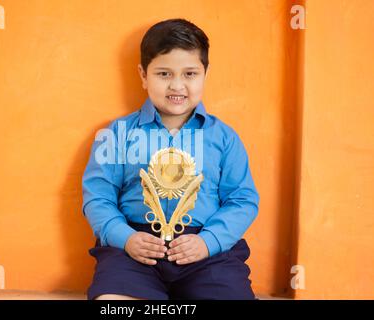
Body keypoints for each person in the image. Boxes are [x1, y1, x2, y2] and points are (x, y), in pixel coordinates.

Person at [82, 18, 260, 300]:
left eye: (189, 74)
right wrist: (125, 238)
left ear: (205, 73)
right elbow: (98, 198)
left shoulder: (224, 138)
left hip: (206, 252)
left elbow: (243, 200)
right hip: (134, 251)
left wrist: (208, 241)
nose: (177, 85)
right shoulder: (117, 133)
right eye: (164, 74)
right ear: (143, 75)